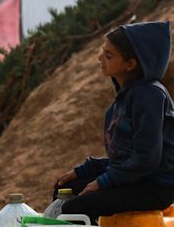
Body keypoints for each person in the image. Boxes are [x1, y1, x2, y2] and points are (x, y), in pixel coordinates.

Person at [53, 21, 174, 225]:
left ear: (130, 64)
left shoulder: (150, 96)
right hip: (137, 179)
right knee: (66, 187)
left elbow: (147, 159)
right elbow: (126, 159)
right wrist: (85, 170)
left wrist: (103, 182)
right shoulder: (126, 96)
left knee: (75, 207)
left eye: (109, 55)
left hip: (155, 187)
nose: (100, 59)